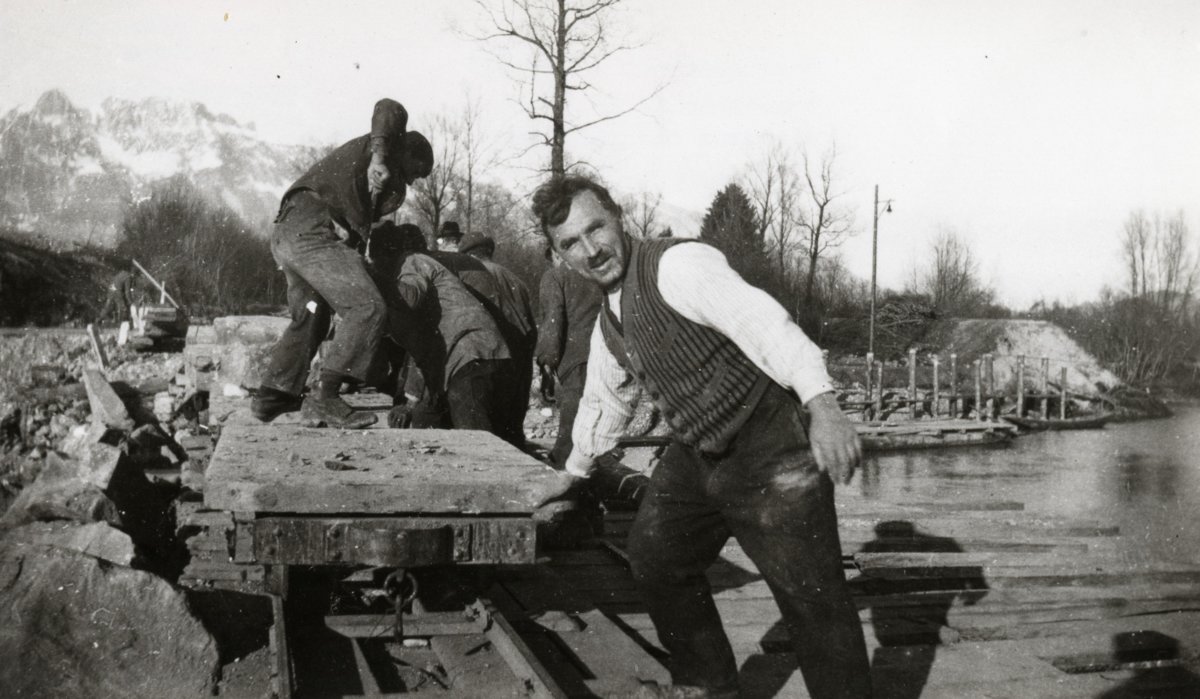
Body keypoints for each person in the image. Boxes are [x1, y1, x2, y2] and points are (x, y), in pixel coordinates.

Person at [531, 175, 871, 699]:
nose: (591, 250)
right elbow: (605, 403)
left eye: (595, 228)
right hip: (698, 454)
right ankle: (709, 687)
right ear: (559, 256)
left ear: (619, 216)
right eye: (571, 243)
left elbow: (766, 325)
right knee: (655, 556)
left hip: (769, 445)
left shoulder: (678, 266)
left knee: (813, 601)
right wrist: (571, 475)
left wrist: (822, 405)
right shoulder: (608, 322)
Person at [251, 98, 432, 428]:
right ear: (405, 151)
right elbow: (389, 107)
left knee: (312, 312)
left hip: (289, 231)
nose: (413, 182)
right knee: (368, 307)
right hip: (311, 228)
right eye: (417, 172)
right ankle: (327, 399)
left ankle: (273, 395)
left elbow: (358, 237)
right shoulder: (383, 148)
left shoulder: (381, 187)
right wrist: (379, 157)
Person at [369, 222, 516, 441]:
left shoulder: (412, 261)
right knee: (425, 423)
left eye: (376, 259)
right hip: (461, 358)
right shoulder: (406, 271)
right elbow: (420, 346)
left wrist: (371, 276)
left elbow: (410, 297)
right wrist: (411, 403)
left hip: (472, 353)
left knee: (475, 441)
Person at [457, 232, 538, 447]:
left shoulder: (467, 275)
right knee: (511, 425)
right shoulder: (515, 279)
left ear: (467, 255)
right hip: (519, 354)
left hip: (488, 355)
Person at [535, 249, 601, 467]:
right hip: (605, 351)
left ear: (557, 254)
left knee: (575, 407)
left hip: (576, 355)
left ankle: (564, 460)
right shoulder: (597, 273)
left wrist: (547, 361)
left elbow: (553, 318)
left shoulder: (555, 276)